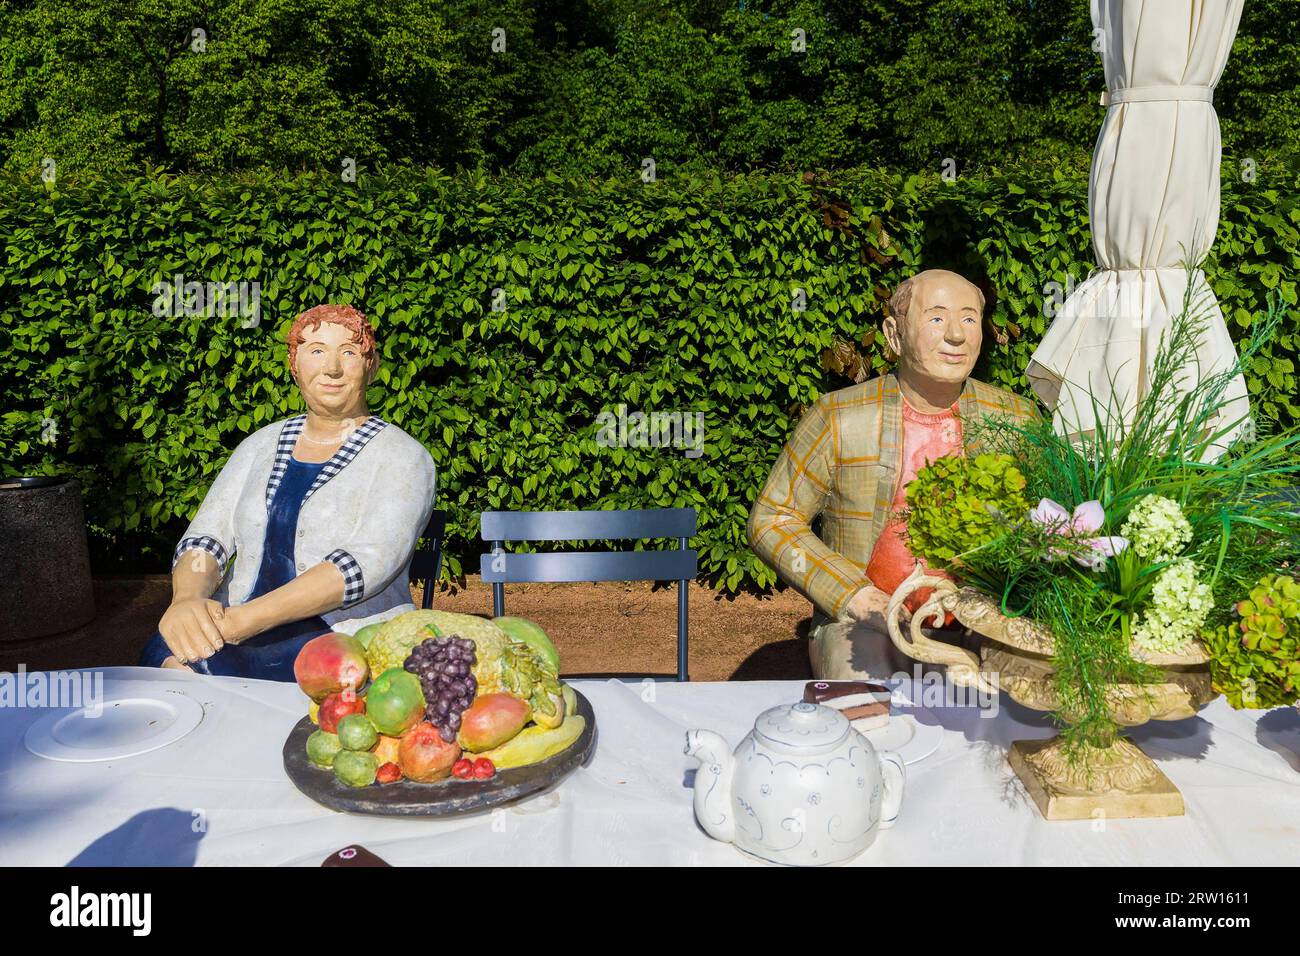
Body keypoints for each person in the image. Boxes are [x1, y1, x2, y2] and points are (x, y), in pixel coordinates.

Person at [747, 269, 1038, 680]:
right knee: (869, 710)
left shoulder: (1015, 419)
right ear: (894, 333)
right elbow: (772, 519)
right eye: (936, 318)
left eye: (969, 318)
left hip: (984, 621)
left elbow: (1051, 520)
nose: (956, 334)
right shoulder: (838, 417)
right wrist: (855, 595)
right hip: (864, 628)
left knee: (1020, 704)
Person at [140, 304, 436, 679]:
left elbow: (364, 564)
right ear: (295, 365)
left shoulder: (403, 457)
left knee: (330, 697)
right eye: (316, 351)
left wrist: (245, 621)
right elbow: (206, 537)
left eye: (349, 352)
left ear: (371, 366)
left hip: (339, 636)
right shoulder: (259, 446)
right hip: (232, 623)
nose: (332, 368)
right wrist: (188, 600)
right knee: (168, 663)